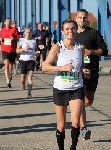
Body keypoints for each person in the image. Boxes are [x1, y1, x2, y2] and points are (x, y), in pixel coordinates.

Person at [42, 19, 90, 150]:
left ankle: (73, 148)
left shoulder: (81, 47)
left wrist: (85, 71)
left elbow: (83, 66)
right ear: (63, 31)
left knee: (75, 121)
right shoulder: (57, 47)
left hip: (77, 88)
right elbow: (44, 67)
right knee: (62, 125)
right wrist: (61, 67)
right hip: (60, 89)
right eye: (67, 29)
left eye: (73, 28)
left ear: (76, 30)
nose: (70, 31)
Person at [74, 9, 108, 140]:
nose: (82, 20)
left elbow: (104, 51)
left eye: (84, 18)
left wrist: (91, 52)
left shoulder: (93, 33)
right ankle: (83, 128)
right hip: (78, 72)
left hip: (92, 71)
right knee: (80, 100)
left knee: (88, 101)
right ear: (76, 19)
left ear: (87, 19)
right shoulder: (72, 34)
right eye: (80, 17)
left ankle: (79, 108)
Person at [16, 27, 37, 98]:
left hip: (31, 60)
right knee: (23, 78)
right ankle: (22, 83)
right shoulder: (22, 40)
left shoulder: (34, 41)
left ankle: (29, 93)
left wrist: (37, 53)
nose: (28, 34)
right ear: (24, 33)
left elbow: (35, 50)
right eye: (27, 32)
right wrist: (23, 49)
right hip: (23, 60)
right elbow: (17, 51)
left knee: (30, 77)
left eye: (30, 32)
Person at [0, 18, 20, 88]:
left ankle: (9, 76)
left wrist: (14, 38)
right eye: (7, 21)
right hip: (4, 50)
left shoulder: (14, 29)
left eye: (9, 22)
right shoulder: (2, 30)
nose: (8, 23)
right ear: (4, 23)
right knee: (6, 65)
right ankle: (8, 81)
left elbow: (18, 38)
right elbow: (0, 37)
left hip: (12, 50)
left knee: (10, 67)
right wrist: (1, 39)